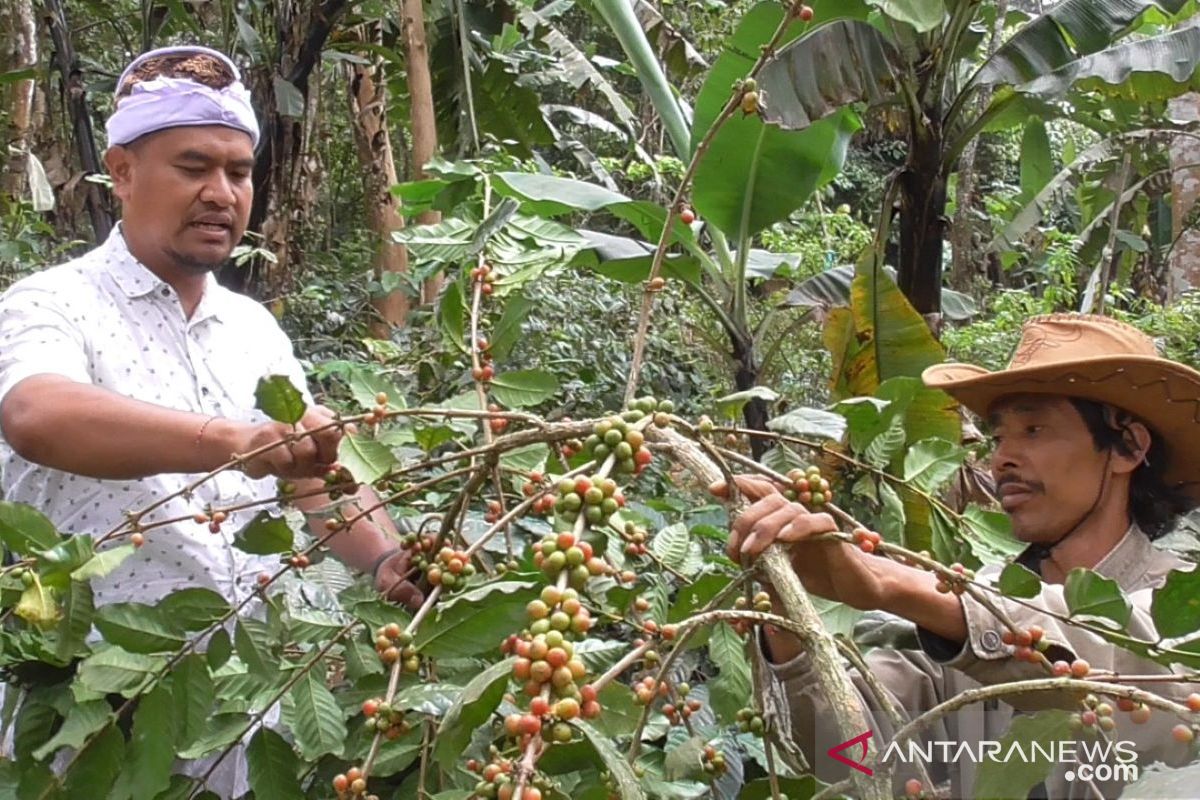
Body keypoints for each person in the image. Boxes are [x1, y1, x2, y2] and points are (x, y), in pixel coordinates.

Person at [0, 46, 421, 793]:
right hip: (89, 707)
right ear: (122, 171)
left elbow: (312, 486)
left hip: (239, 709)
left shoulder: (254, 330)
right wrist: (235, 444)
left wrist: (389, 561)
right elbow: (36, 412)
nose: (222, 193)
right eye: (194, 168)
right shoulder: (48, 305)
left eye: (239, 171)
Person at [723, 314, 1200, 799]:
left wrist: (890, 582)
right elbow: (846, 755)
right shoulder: (957, 624)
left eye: (1034, 429)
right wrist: (785, 605)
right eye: (998, 438)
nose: (1001, 459)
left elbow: (1125, 656)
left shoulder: (1184, 608)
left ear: (1127, 446)